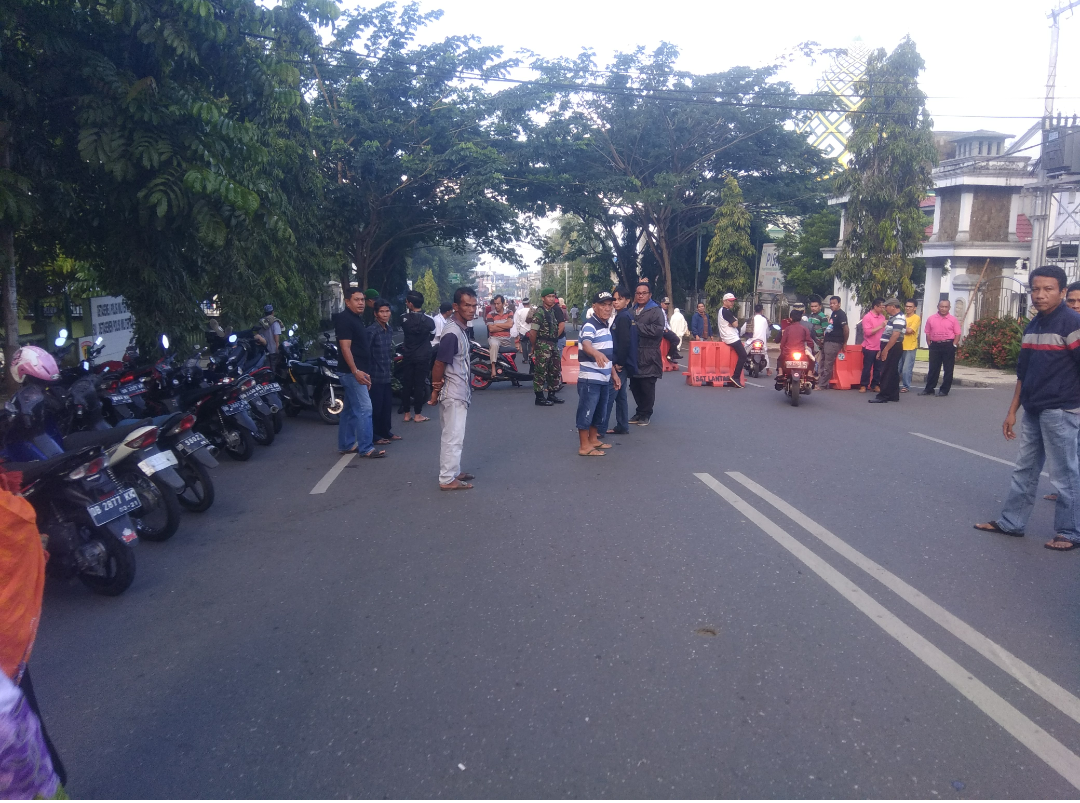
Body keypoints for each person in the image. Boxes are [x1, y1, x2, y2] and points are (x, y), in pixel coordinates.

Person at [974, 265, 1080, 552]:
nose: (1040, 295)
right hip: (1033, 409)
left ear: (1062, 291)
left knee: (1064, 474)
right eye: (1035, 289)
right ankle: (1012, 522)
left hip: (1060, 410)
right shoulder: (1034, 325)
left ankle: (1070, 532)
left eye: (1048, 289)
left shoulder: (1072, 323)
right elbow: (1023, 372)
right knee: (1025, 469)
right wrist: (1012, 411)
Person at [429, 287, 478, 490]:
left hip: (459, 391)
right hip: (453, 393)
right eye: (467, 305)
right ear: (456, 306)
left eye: (474, 305)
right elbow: (439, 363)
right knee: (453, 436)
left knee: (455, 434)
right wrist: (435, 390)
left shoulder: (460, 328)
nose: (471, 309)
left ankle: (454, 471)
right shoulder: (452, 333)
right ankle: (447, 479)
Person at [333, 287, 383, 458]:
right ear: (347, 302)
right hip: (351, 373)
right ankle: (366, 448)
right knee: (365, 409)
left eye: (362, 299)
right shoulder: (344, 319)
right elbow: (345, 348)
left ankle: (346, 445)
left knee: (349, 410)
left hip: (358, 371)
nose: (361, 303)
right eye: (356, 300)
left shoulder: (355, 318)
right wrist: (356, 371)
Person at [575, 291, 619, 456]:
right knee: (587, 411)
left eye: (609, 305)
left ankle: (593, 440)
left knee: (599, 411)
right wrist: (595, 353)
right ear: (594, 307)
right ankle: (584, 446)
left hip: (604, 378)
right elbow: (586, 344)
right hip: (590, 378)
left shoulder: (605, 326)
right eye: (603, 305)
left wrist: (613, 374)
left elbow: (606, 355)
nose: (607, 308)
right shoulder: (590, 325)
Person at [628, 282, 666, 425]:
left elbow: (657, 331)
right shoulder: (632, 310)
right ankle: (639, 412)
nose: (641, 296)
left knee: (647, 386)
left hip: (649, 353)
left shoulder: (656, 311)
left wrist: (636, 326)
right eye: (638, 293)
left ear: (649, 295)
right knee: (634, 385)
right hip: (634, 354)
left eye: (644, 293)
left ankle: (646, 413)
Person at [367, 299, 399, 445]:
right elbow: (366, 353)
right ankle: (375, 435)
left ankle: (386, 432)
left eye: (387, 311)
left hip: (387, 373)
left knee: (387, 406)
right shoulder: (371, 331)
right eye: (382, 312)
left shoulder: (389, 330)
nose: (385, 314)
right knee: (376, 408)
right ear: (375, 314)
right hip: (375, 375)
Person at [399, 290, 435, 423]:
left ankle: (406, 414)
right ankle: (418, 414)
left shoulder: (403, 319)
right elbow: (432, 336)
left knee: (407, 384)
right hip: (423, 355)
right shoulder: (429, 321)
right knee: (419, 384)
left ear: (410, 304)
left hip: (408, 355)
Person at [527, 288, 566, 406]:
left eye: (553, 296)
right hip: (543, 345)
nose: (551, 299)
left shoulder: (552, 311)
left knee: (555, 369)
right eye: (548, 296)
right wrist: (534, 346)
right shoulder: (540, 312)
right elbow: (533, 332)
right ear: (543, 298)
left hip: (553, 344)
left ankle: (551, 394)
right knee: (541, 371)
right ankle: (539, 397)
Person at [918, 299, 962, 397]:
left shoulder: (953, 320)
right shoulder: (931, 319)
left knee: (948, 369)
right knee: (933, 368)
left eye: (946, 307)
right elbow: (928, 332)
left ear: (949, 308)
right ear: (938, 307)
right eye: (942, 306)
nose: (943, 309)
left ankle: (944, 390)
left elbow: (957, 334)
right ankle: (929, 389)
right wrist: (930, 344)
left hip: (948, 345)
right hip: (935, 345)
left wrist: (954, 345)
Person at [606, 285, 633, 435]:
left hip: (619, 364)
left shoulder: (623, 317)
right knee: (621, 395)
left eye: (620, 299)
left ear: (627, 301)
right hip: (621, 362)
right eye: (614, 299)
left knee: (610, 394)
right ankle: (622, 425)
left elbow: (624, 343)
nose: (616, 302)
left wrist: (619, 363)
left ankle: (600, 427)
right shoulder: (622, 315)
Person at [868, 299, 905, 404]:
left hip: (893, 346)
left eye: (887, 306)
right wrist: (882, 350)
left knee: (886, 371)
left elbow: (895, 335)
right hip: (889, 346)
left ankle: (883, 395)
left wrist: (886, 349)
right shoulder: (893, 318)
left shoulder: (899, 318)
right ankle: (893, 395)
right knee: (892, 371)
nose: (885, 309)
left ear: (893, 306)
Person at [776, 307, 815, 388]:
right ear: (800, 318)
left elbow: (783, 343)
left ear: (790, 318)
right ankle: (810, 373)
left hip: (788, 352)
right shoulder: (804, 329)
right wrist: (811, 349)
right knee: (812, 359)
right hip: (801, 353)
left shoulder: (787, 329)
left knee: (780, 359)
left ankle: (780, 373)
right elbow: (810, 342)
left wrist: (783, 349)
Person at [818, 295, 850, 389]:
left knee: (828, 364)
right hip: (827, 341)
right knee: (822, 362)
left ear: (839, 304)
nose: (832, 305)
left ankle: (822, 385)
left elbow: (846, 329)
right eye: (831, 303)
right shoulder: (833, 314)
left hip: (834, 342)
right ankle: (820, 381)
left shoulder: (841, 314)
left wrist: (845, 342)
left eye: (834, 303)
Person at [716, 292, 746, 388]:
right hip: (731, 337)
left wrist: (733, 322)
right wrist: (734, 321)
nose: (732, 303)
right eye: (730, 301)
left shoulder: (723, 311)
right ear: (724, 301)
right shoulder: (726, 311)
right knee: (743, 355)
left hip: (728, 337)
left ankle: (734, 376)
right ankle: (735, 377)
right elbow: (736, 324)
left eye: (733, 301)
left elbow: (734, 323)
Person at [859, 298, 886, 393]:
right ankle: (864, 385)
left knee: (878, 368)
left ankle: (875, 384)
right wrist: (881, 326)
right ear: (875, 306)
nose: (883, 309)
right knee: (867, 367)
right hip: (869, 346)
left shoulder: (882, 317)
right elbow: (868, 332)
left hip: (879, 346)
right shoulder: (867, 317)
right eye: (881, 307)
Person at [484, 294, 513, 379]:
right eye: (495, 304)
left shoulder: (509, 312)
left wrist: (496, 324)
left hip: (506, 340)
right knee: (494, 344)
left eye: (498, 304)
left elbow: (510, 325)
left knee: (511, 357)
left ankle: (512, 375)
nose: (496, 306)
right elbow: (491, 329)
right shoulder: (490, 314)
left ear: (503, 303)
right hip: (494, 338)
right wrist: (505, 325)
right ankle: (493, 367)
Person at [899, 300, 921, 393]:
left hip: (910, 346)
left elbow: (910, 331)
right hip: (899, 345)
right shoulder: (902, 317)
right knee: (897, 368)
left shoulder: (916, 318)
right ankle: (894, 384)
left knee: (906, 369)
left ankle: (906, 386)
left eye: (910, 306)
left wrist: (899, 328)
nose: (908, 308)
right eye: (906, 306)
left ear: (915, 308)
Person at [742, 303, 770, 374]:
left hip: (751, 342)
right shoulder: (765, 320)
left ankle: (740, 368)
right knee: (765, 353)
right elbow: (768, 332)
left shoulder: (750, 319)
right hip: (762, 342)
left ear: (754, 311)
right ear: (762, 311)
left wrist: (741, 334)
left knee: (743, 354)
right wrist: (767, 336)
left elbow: (743, 329)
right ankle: (768, 370)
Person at [257, 303, 283, 370]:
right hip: (273, 351)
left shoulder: (261, 323)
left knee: (265, 369)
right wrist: (278, 349)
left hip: (263, 351)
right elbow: (276, 339)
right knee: (274, 369)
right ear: (272, 312)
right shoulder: (275, 322)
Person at [512, 297, 533, 370]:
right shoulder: (533, 310)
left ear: (523, 304)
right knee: (530, 344)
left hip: (522, 331)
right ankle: (530, 357)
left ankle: (525, 359)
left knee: (523, 345)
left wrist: (518, 330)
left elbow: (517, 322)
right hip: (531, 330)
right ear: (529, 303)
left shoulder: (519, 312)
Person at [659, 297, 682, 362]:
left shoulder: (664, 312)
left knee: (675, 338)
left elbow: (666, 322)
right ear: (661, 303)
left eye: (667, 304)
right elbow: (659, 322)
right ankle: (670, 355)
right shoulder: (659, 312)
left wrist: (669, 329)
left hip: (665, 329)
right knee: (676, 339)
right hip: (661, 331)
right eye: (665, 304)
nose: (667, 305)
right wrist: (664, 329)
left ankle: (674, 354)